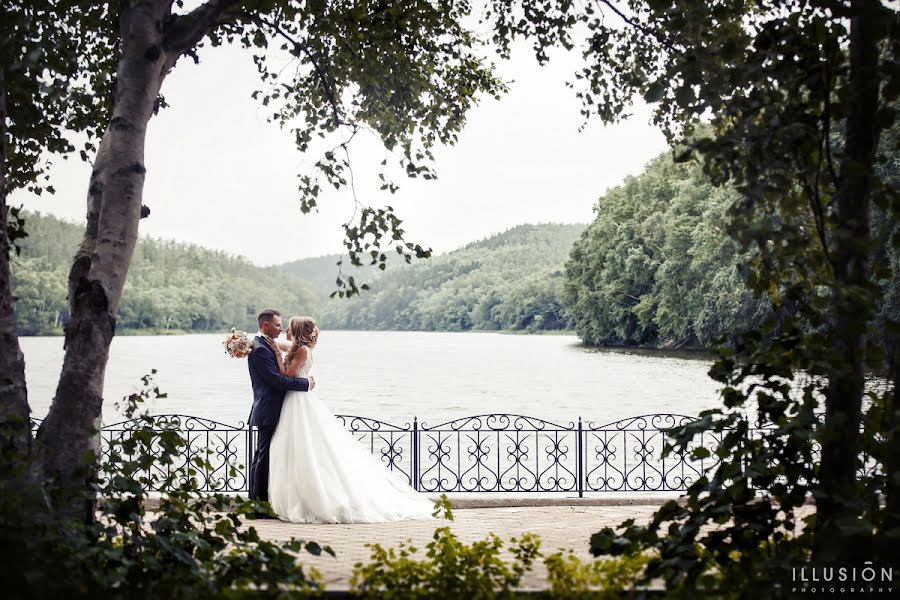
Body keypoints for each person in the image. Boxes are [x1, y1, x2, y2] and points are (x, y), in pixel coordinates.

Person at [268, 316, 434, 523]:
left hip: (299, 400)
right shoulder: (297, 347)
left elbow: (289, 374)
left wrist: (276, 356)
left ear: (297, 330)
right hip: (295, 399)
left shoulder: (302, 350)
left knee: (306, 445)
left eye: (290, 328)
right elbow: (275, 343)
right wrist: (252, 342)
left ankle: (313, 497)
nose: (286, 330)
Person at [247, 308, 314, 505]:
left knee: (265, 455)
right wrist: (306, 384)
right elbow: (276, 381)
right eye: (277, 325)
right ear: (265, 325)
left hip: (277, 408)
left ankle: (261, 500)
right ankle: (258, 505)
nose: (281, 328)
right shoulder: (260, 349)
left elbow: (294, 347)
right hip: (269, 409)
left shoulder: (264, 344)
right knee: (264, 456)